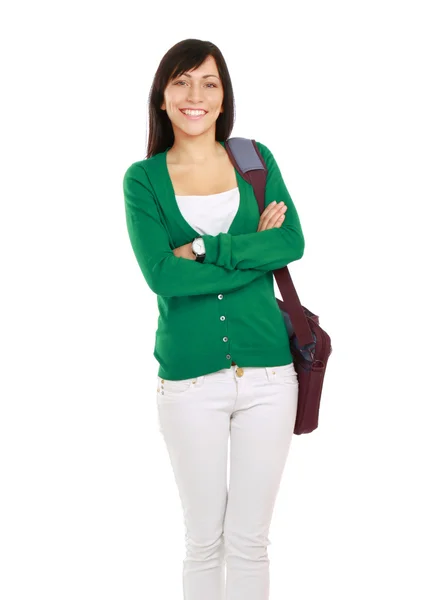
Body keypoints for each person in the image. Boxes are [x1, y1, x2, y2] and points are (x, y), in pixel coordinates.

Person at [123, 38, 305, 600]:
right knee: (203, 541)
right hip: (189, 382)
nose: (194, 95)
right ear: (162, 97)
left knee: (250, 542)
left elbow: (292, 242)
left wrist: (202, 251)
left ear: (224, 97)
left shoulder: (254, 159)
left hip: (272, 378)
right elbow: (162, 277)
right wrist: (251, 249)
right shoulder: (143, 178)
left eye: (208, 82)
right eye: (180, 82)